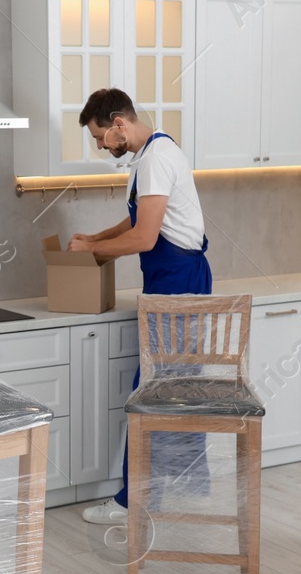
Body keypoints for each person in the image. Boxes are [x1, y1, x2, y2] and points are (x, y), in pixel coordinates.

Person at [66, 89, 212, 526]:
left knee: (152, 392)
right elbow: (138, 220)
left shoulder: (155, 160)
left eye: (100, 138)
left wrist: (97, 255)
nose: (101, 147)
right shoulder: (152, 154)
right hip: (173, 280)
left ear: (118, 123)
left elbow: (144, 239)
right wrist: (94, 239)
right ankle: (170, 491)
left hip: (177, 281)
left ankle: (135, 502)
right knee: (168, 390)